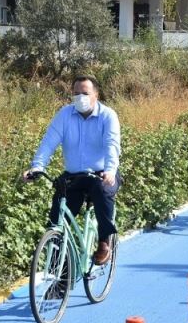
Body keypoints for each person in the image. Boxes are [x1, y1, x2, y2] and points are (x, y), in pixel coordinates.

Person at [23, 75, 122, 266]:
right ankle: (59, 279)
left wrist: (110, 171)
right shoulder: (65, 114)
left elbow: (112, 145)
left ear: (96, 95)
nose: (80, 97)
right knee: (57, 220)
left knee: (102, 192)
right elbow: (49, 142)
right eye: (76, 93)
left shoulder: (108, 116)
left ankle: (104, 242)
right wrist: (37, 167)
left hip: (101, 174)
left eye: (85, 93)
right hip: (74, 176)